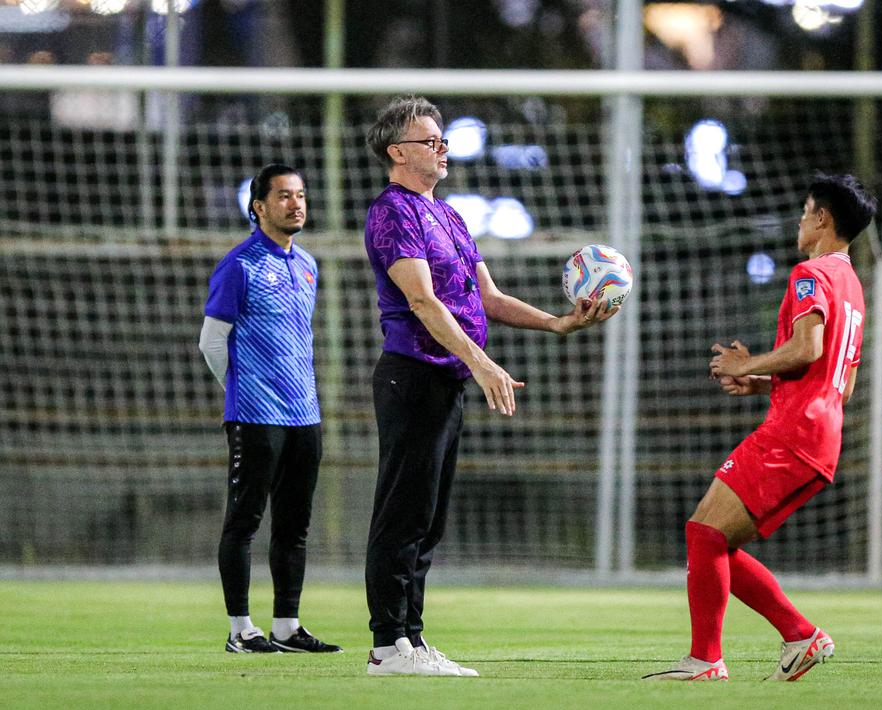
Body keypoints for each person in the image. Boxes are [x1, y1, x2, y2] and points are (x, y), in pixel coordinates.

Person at [360, 95, 617, 677]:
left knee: (428, 517)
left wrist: (558, 322)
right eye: (431, 141)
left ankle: (412, 641)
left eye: (443, 140)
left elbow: (489, 299)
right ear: (399, 151)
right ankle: (385, 646)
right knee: (402, 513)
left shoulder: (448, 216)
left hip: (444, 381)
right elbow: (422, 301)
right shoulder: (392, 212)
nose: (443, 149)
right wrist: (481, 362)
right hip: (412, 376)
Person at [642, 173, 877, 682]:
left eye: (805, 210)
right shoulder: (854, 287)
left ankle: (708, 660)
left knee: (703, 530)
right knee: (714, 540)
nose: (799, 220)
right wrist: (767, 381)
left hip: (794, 432)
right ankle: (798, 637)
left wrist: (742, 368)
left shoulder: (810, 273)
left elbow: (809, 348)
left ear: (823, 219)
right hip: (823, 433)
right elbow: (842, 377)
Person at [198, 164, 342, 655]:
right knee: (244, 522)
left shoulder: (308, 264)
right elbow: (212, 342)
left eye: (301, 194)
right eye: (283, 196)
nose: (295, 204)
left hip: (305, 415)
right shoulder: (238, 265)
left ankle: (286, 627)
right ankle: (240, 629)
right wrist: (243, 391)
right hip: (256, 416)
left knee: (294, 526)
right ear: (259, 206)